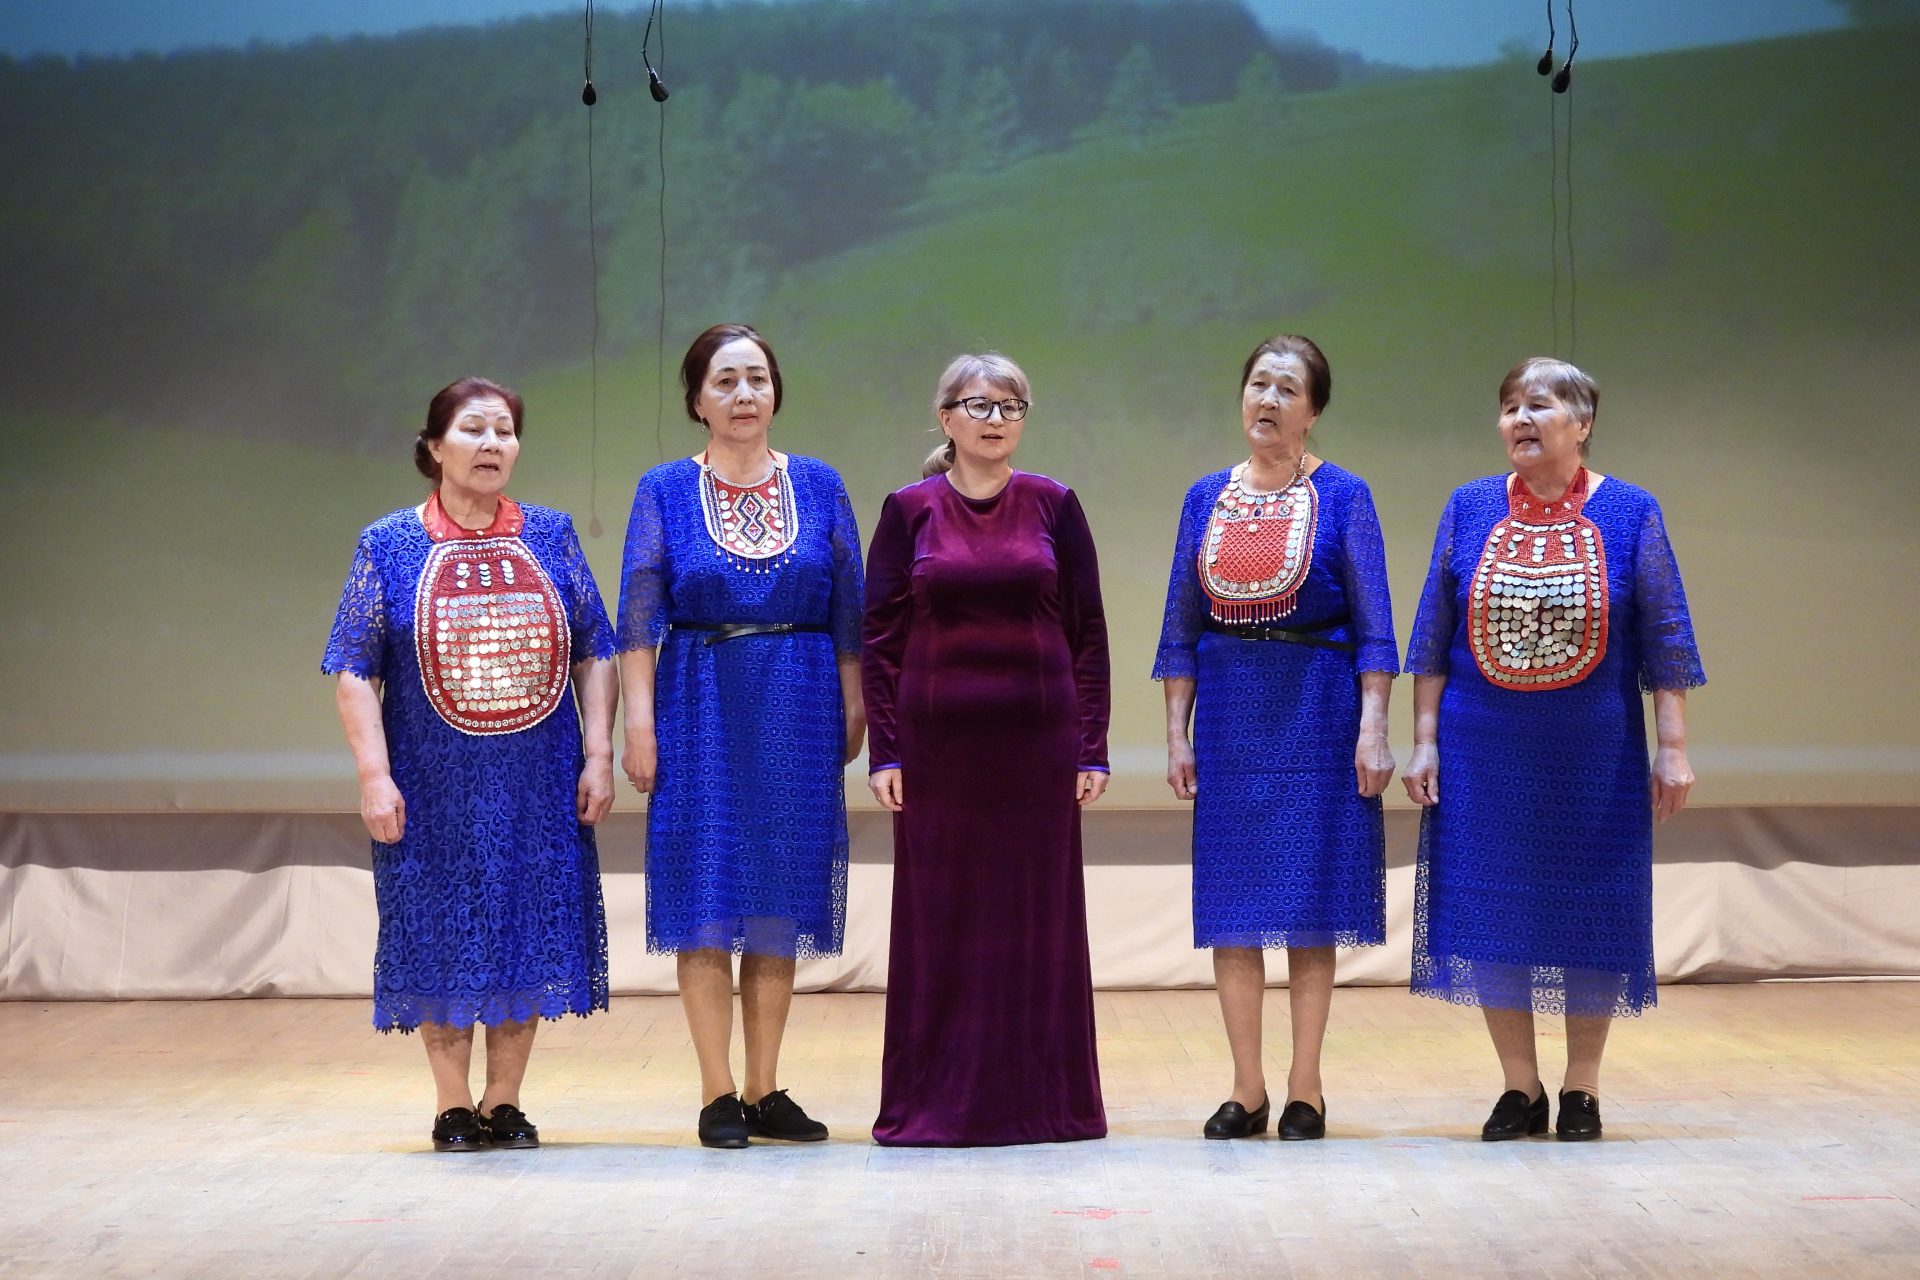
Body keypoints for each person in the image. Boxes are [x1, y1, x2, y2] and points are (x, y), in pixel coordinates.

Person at [1402, 357, 1704, 1141]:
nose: (1520, 420)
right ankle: (1519, 1086)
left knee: (1590, 909)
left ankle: (1582, 1088)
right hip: (1481, 746)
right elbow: (1432, 635)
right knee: (1490, 907)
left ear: (1583, 423)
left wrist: (1672, 747)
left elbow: (1667, 636)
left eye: (1538, 405)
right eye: (1510, 407)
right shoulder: (1469, 505)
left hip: (1593, 751)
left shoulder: (1632, 510)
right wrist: (1424, 741)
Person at [323, 376, 617, 1153]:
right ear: (433, 447)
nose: (493, 444)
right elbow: (352, 667)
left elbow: (596, 648)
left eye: (505, 431)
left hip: (537, 779)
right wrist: (374, 776)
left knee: (526, 923)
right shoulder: (388, 542)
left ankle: (505, 1100)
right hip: (431, 781)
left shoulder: (551, 533)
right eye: (474, 429)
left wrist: (599, 753)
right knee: (439, 929)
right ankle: (453, 1104)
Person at [617, 324, 865, 1149]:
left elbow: (852, 613)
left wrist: (855, 704)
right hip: (699, 703)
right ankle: (717, 1090)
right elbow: (639, 618)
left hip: (799, 700)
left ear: (776, 391)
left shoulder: (820, 483)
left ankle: (764, 1087)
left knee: (777, 895)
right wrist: (639, 724)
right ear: (698, 401)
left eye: (757, 378)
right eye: (725, 381)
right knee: (706, 893)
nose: (744, 394)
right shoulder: (663, 489)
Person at [1154, 334, 1398, 1142]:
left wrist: (1373, 729)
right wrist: (1177, 734)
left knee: (1309, 906)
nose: (1268, 400)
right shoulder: (1205, 497)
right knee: (1234, 908)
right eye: (1259, 384)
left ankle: (1305, 1088)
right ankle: (1246, 1088)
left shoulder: (1346, 495)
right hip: (1231, 718)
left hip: (1318, 714)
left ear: (1313, 410)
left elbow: (1375, 629)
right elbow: (1179, 629)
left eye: (1288, 389)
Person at [862, 353, 1111, 1146]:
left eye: (1011, 406)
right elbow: (881, 641)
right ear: (946, 418)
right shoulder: (908, 511)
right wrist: (885, 752)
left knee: (1036, 923)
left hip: (1039, 746)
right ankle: (937, 1104)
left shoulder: (1054, 504)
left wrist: (1092, 748)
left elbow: (1087, 631)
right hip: (938, 752)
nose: (996, 419)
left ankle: (1046, 1105)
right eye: (979, 405)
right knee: (944, 923)